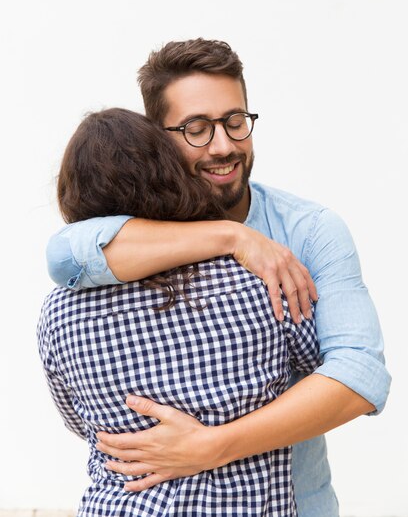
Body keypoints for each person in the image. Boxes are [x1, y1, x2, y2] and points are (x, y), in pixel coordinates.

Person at [46, 39, 391, 517]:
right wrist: (232, 237)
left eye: (235, 121)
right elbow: (65, 256)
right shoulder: (142, 237)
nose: (224, 145)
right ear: (157, 137)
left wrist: (210, 446)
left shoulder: (310, 229)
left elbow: (359, 376)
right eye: (196, 129)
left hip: (294, 503)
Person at [38, 107, 321, 516]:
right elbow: (320, 370)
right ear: (169, 173)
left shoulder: (56, 313)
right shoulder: (257, 279)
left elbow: (80, 424)